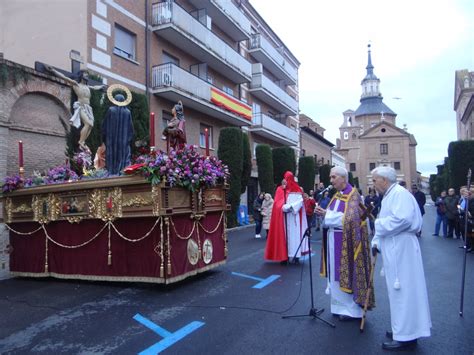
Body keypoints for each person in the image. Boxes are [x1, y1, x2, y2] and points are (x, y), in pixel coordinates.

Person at [371, 166, 431, 351]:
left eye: (375, 180)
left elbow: (402, 220)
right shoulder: (390, 195)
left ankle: (406, 335)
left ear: (384, 180)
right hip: (396, 247)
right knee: (398, 292)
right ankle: (402, 329)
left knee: (403, 291)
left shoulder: (399, 194)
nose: (373, 184)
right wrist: (377, 242)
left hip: (402, 249)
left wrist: (377, 223)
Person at [315, 166, 374, 321]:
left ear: (343, 178)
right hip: (333, 239)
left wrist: (326, 214)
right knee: (335, 275)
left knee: (347, 273)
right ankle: (338, 307)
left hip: (347, 242)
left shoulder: (354, 196)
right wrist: (323, 214)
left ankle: (352, 310)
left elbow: (351, 220)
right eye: (331, 177)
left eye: (333, 177)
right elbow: (334, 216)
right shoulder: (336, 196)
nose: (331, 180)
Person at [47, 66, 105, 151]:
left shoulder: (88, 87)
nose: (87, 76)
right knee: (88, 123)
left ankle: (83, 141)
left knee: (91, 125)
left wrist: (101, 86)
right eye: (85, 74)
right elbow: (64, 77)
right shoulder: (76, 84)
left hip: (88, 108)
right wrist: (54, 71)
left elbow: (95, 87)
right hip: (80, 107)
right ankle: (81, 142)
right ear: (81, 75)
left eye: (87, 74)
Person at [264, 172, 309, 265]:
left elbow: (300, 202)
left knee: (295, 237)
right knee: (284, 237)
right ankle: (284, 257)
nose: (286, 180)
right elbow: (277, 203)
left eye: (287, 178)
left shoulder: (297, 189)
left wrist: (290, 207)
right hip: (284, 219)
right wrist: (282, 207)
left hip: (294, 217)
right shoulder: (280, 189)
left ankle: (296, 256)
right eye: (285, 178)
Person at [101, 94, 134, 175]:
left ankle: (111, 172)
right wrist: (128, 139)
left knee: (112, 155)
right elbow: (131, 129)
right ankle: (122, 171)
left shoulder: (111, 110)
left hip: (111, 140)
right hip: (124, 140)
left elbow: (104, 125)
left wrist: (104, 137)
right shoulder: (127, 112)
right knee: (123, 155)